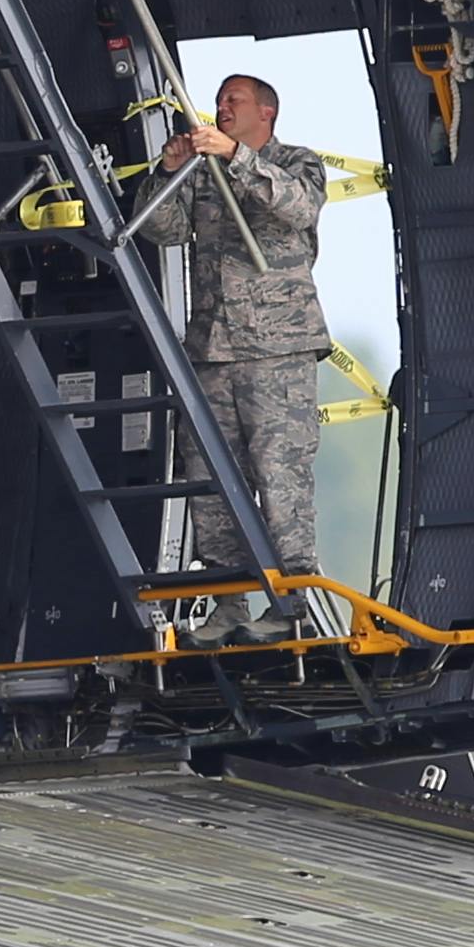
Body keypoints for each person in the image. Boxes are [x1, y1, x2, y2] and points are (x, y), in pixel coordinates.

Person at [145, 74, 336, 633]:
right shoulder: (202, 172)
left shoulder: (298, 162)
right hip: (214, 347)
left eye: (235, 100)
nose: (221, 107)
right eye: (220, 100)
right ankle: (227, 602)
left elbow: (298, 209)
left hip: (278, 349)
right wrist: (168, 170)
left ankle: (292, 604)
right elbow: (163, 228)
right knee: (213, 479)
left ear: (266, 113)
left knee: (280, 474)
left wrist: (236, 159)